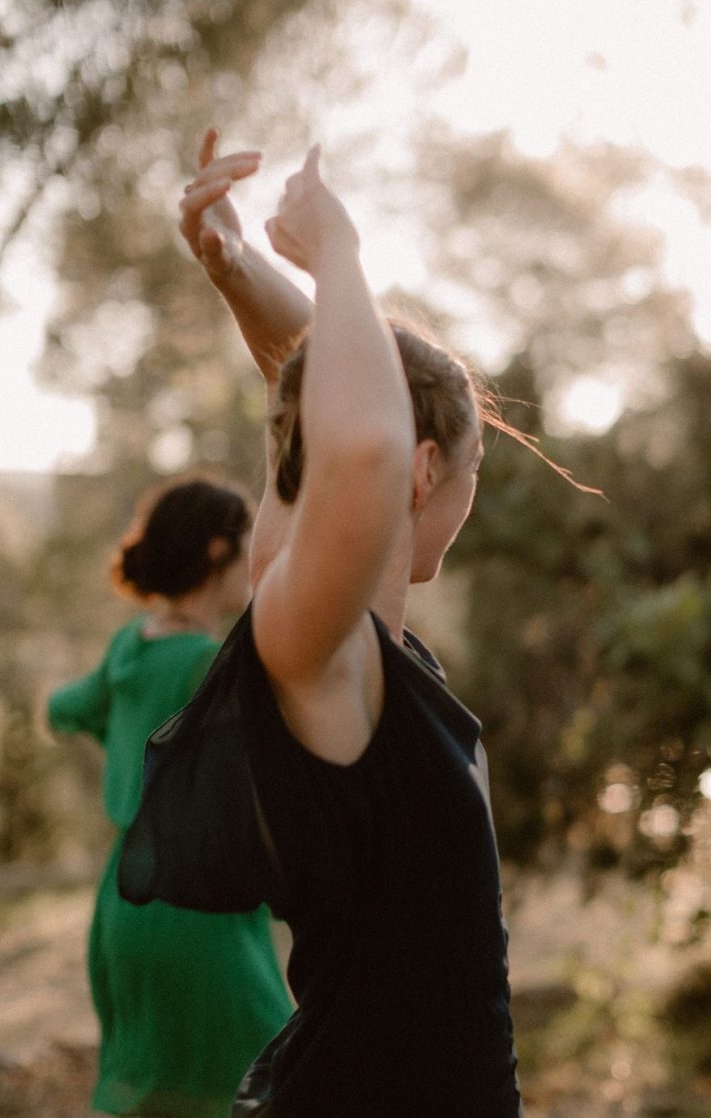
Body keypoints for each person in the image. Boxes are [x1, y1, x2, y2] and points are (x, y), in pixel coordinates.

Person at [121, 133, 524, 1116]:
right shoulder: (315, 645)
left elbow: (325, 395)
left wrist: (238, 267)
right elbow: (360, 441)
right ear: (427, 472)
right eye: (473, 474)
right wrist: (337, 252)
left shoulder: (355, 641)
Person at [48, 477, 294, 1118]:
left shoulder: (130, 646)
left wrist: (125, 750)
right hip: (198, 911)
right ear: (219, 551)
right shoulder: (212, 665)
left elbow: (63, 708)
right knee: (277, 1082)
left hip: (123, 907)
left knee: (150, 1097)